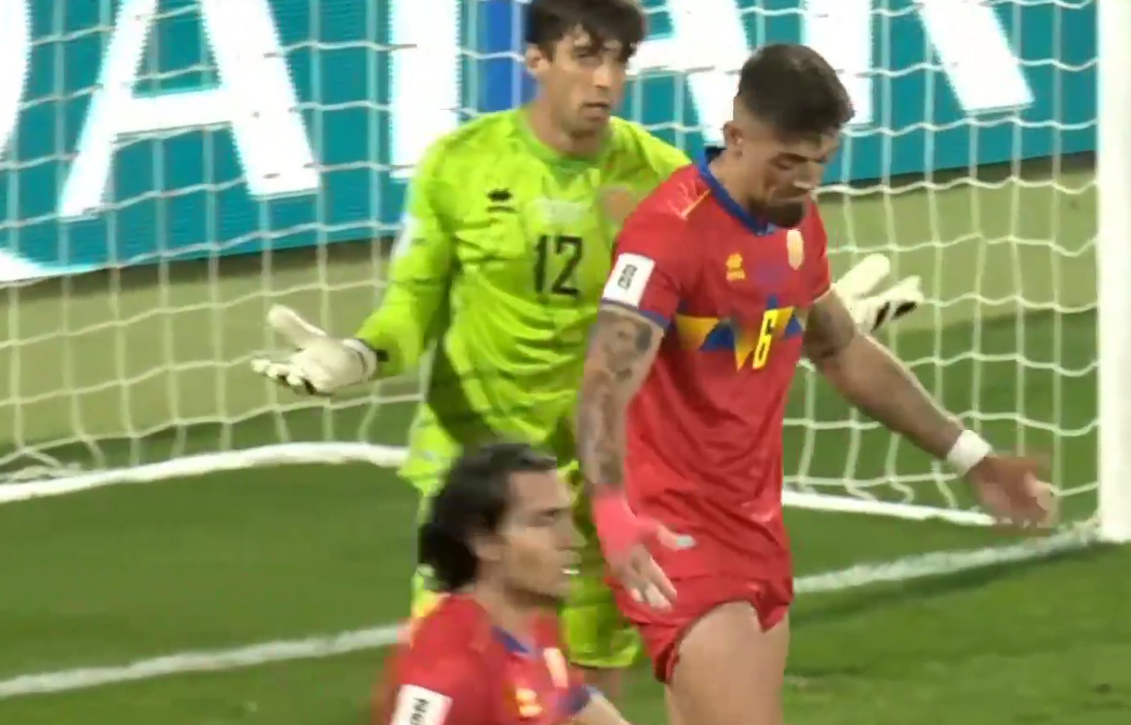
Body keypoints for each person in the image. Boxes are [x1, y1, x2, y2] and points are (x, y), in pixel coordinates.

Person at [250, 0, 919, 702]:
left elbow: (731, 297)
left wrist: (798, 322)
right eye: (585, 56)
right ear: (536, 60)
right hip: (483, 488)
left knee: (577, 697)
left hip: (606, 487)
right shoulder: (461, 164)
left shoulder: (660, 177)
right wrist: (361, 355)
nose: (605, 79)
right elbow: (412, 305)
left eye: (619, 61)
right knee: (456, 681)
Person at [575, 43, 1057, 725]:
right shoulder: (669, 234)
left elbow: (841, 349)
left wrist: (973, 457)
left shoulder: (796, 225)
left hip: (757, 530)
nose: (804, 181)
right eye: (787, 162)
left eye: (819, 161)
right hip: (677, 537)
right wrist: (612, 513)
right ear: (736, 137)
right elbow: (603, 383)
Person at [376, 441, 633, 725]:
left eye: (566, 517)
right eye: (546, 520)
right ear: (484, 541)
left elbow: (573, 697)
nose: (574, 539)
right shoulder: (447, 667)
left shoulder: (535, 630)